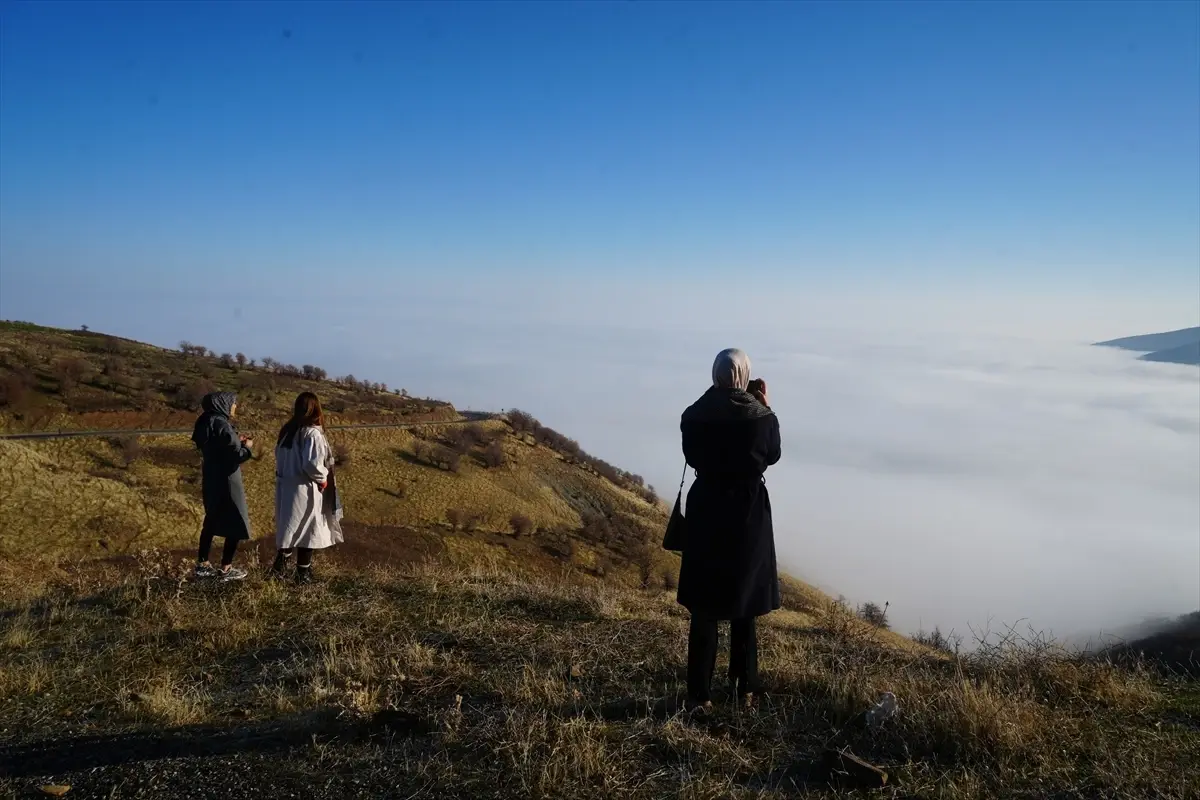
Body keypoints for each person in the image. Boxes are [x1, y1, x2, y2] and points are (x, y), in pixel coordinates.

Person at [677, 348, 781, 708]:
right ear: (744, 374)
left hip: (707, 507)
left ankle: (699, 694)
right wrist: (764, 404)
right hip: (747, 511)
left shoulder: (692, 415)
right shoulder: (760, 418)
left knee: (705, 603)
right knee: (744, 599)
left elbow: (692, 456)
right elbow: (774, 454)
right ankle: (744, 688)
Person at [271, 392, 343, 584]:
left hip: (287, 487)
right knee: (307, 529)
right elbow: (312, 464)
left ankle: (279, 569)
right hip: (305, 488)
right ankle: (303, 574)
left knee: (290, 528)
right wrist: (323, 479)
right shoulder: (312, 434)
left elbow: (279, 458)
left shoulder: (287, 432)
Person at [191, 391, 254, 581]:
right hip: (228, 478)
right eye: (233, 403)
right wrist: (247, 447)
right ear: (223, 404)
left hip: (211, 476)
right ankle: (226, 568)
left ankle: (202, 564)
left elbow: (217, 446)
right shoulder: (221, 423)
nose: (235, 407)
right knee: (236, 519)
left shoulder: (204, 421)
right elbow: (236, 455)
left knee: (211, 519)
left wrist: (235, 442)